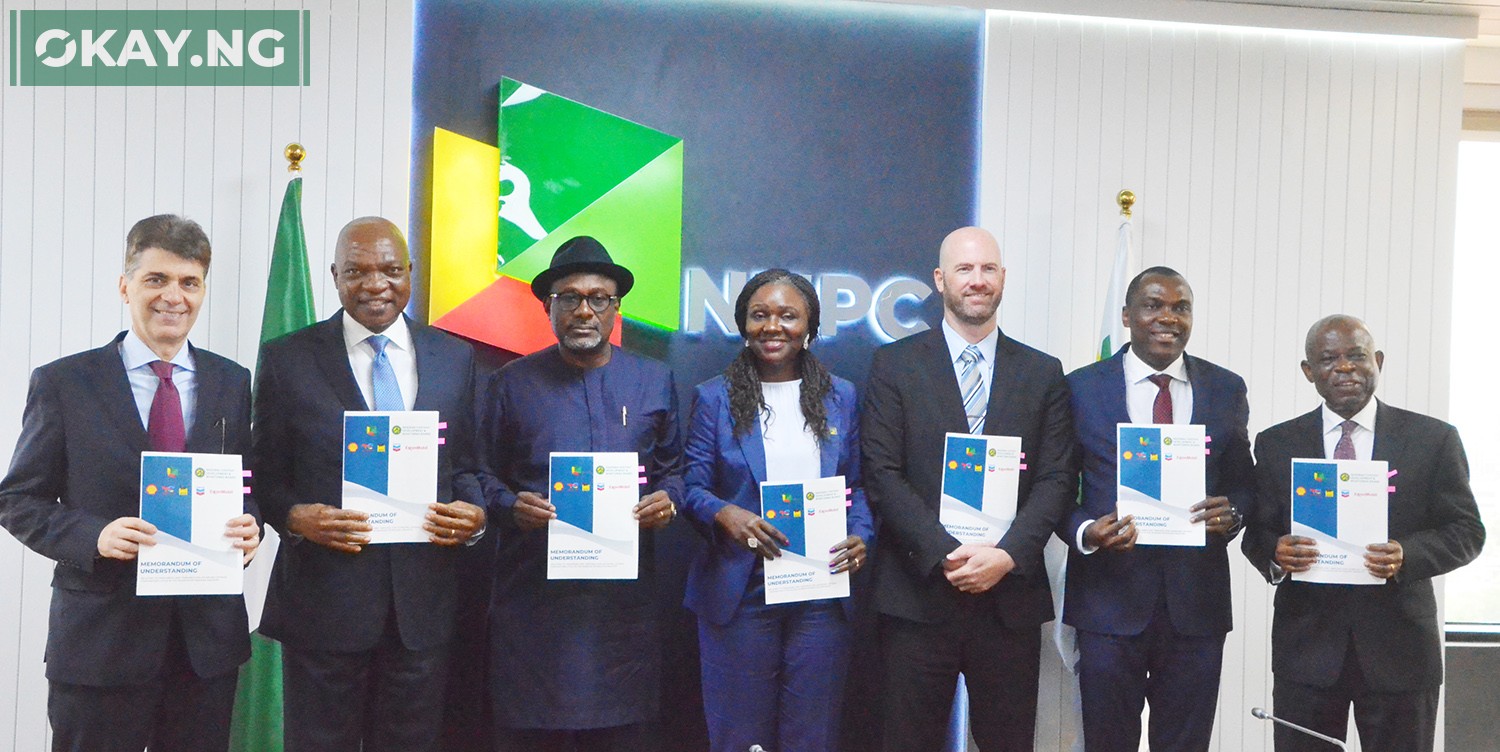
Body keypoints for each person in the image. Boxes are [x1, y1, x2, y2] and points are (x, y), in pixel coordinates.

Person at [0, 215, 260, 752]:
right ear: (125, 286)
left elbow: (244, 481)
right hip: (101, 644)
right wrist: (93, 536)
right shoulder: (64, 382)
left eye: (189, 282)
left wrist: (250, 525)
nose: (174, 296)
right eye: (156, 279)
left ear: (203, 290)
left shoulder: (232, 381)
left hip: (204, 647)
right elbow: (18, 500)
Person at [252, 216, 487, 752]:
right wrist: (293, 517)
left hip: (422, 608)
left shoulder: (455, 357)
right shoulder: (289, 357)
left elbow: (469, 465)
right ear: (335, 275)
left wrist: (473, 516)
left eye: (389, 269)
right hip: (323, 604)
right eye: (356, 271)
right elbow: (264, 472)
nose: (375, 284)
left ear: (411, 273)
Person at [861, 226, 1077, 752]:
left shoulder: (1043, 373)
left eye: (987, 269)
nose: (976, 281)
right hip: (919, 594)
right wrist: (948, 554)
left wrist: (1006, 556)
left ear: (1002, 278)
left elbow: (1057, 478)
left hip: (1010, 599)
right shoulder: (895, 365)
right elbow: (882, 473)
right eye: (964, 269)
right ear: (940, 280)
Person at [1242, 314, 1484, 751]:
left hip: (1401, 653)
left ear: (1378, 361)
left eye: (1356, 356)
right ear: (1308, 371)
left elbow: (1466, 530)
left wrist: (1406, 554)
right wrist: (1277, 554)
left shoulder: (1432, 439)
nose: (1345, 368)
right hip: (1307, 655)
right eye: (1329, 359)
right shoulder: (1277, 443)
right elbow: (1257, 532)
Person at [480, 235, 683, 752]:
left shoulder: (654, 381)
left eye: (599, 298)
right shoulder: (510, 383)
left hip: (623, 614)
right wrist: (508, 505)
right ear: (549, 307)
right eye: (569, 298)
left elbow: (675, 470)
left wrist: (668, 499)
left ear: (616, 308)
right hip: (534, 609)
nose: (584, 311)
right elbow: (474, 474)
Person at [1059, 267, 1254, 752]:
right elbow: (1054, 487)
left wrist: (1235, 513)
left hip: (1197, 607)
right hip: (1108, 603)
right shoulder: (1080, 388)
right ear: (1127, 316)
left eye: (1180, 307)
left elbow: (1246, 482)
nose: (1167, 317)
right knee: (1107, 742)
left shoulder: (1225, 388)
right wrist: (1086, 530)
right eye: (1153, 305)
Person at [682, 268, 873, 752]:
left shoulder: (841, 396)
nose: (773, 326)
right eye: (759, 315)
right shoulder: (713, 397)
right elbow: (692, 486)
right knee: (739, 736)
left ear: (810, 326)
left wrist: (861, 534)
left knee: (812, 734)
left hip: (820, 588)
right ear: (743, 324)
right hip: (740, 587)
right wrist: (728, 515)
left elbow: (859, 485)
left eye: (788, 315)